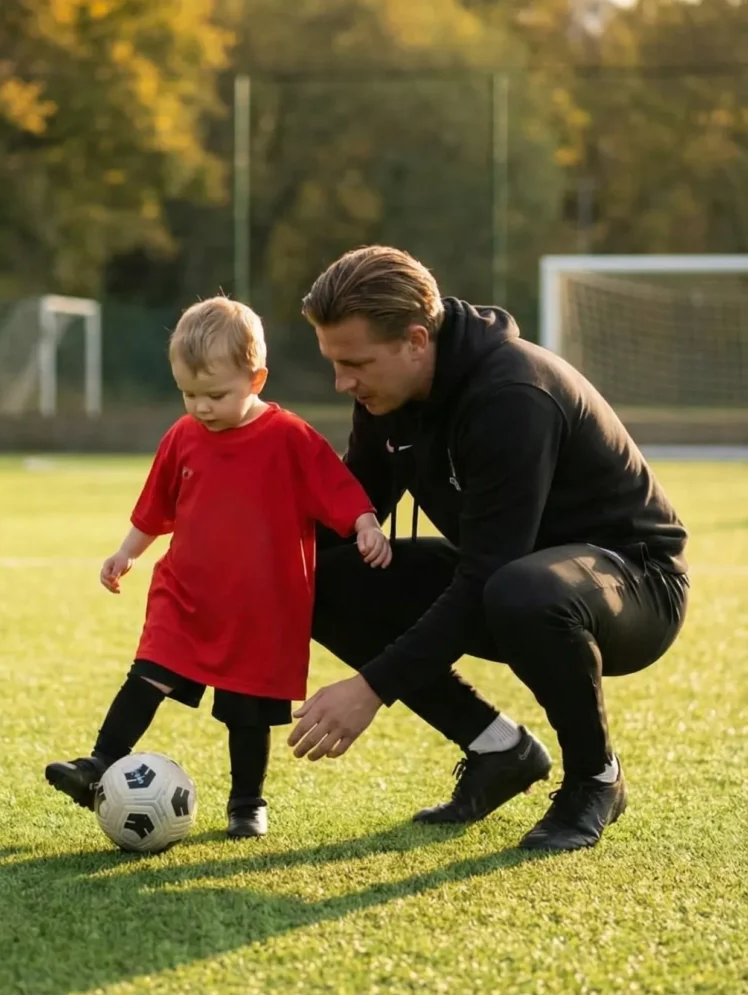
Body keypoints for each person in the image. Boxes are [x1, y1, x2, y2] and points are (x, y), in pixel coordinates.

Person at [287, 245, 690, 852]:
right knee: (324, 579)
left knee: (521, 589)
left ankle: (595, 779)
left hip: (633, 585)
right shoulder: (387, 395)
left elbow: (487, 574)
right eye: (335, 364)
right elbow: (349, 509)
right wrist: (246, 563)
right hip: (511, 577)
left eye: (356, 363)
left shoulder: (513, 395)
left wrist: (370, 687)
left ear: (416, 340)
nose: (344, 382)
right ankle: (498, 750)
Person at [45, 296, 390, 838]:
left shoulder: (289, 437)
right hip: (186, 595)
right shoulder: (182, 437)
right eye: (188, 394)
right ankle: (97, 765)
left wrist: (365, 524)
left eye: (215, 394)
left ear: (256, 379)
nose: (201, 407)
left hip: (262, 607)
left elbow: (337, 489)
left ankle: (248, 801)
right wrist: (127, 551)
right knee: (147, 674)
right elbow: (156, 507)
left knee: (247, 711)